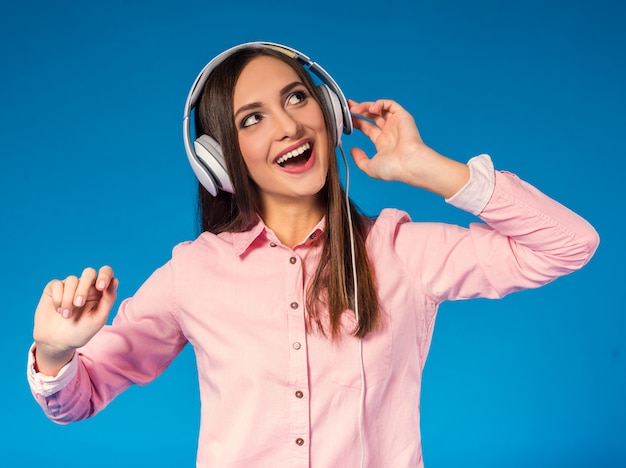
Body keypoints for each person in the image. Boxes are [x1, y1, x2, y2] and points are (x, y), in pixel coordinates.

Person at [27, 42, 599, 467]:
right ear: (220, 161)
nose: (289, 125)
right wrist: (54, 352)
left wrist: (425, 167)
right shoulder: (193, 273)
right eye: (252, 119)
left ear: (327, 112)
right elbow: (76, 399)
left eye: (297, 97)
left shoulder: (401, 251)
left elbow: (570, 243)